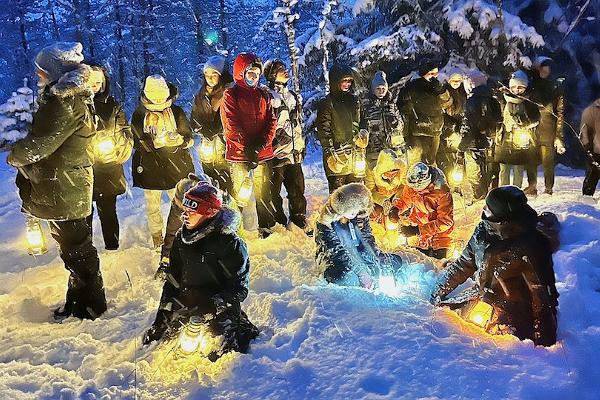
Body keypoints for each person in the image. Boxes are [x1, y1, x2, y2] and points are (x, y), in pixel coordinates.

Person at [7, 42, 107, 320]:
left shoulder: (64, 102)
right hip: (67, 184)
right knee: (75, 249)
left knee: (77, 251)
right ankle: (80, 300)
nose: (39, 77)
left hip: (64, 187)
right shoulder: (69, 97)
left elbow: (40, 145)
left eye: (42, 72)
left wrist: (14, 153)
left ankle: (90, 306)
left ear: (55, 71)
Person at [430, 186, 560, 347]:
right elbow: (463, 264)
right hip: (483, 295)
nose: (484, 210)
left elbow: (542, 293)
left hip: (514, 308)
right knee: (448, 314)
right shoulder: (483, 230)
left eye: (488, 208)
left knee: (499, 339)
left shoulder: (530, 245)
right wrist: (437, 291)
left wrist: (544, 338)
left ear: (503, 217)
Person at [143, 183, 259, 360]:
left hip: (218, 309)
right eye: (185, 209)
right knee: (172, 339)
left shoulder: (230, 244)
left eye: (192, 211)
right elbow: (173, 282)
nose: (184, 215)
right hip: (189, 302)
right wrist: (161, 320)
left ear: (208, 213)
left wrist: (212, 305)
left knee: (215, 353)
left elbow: (239, 289)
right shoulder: (181, 240)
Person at [131, 74, 195, 248]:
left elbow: (189, 136)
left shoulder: (176, 112)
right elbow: (137, 140)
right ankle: (157, 237)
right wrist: (153, 143)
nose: (159, 101)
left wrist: (181, 141)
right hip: (150, 167)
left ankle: (180, 233)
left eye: (162, 96)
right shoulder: (140, 114)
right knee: (153, 206)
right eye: (155, 96)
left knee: (180, 203)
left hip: (175, 166)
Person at [221, 52, 278, 238]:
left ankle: (265, 225)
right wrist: (247, 146)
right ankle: (236, 228)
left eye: (256, 74)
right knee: (241, 192)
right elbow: (231, 123)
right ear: (241, 73)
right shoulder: (231, 94)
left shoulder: (263, 94)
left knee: (263, 190)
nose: (254, 77)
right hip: (240, 153)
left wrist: (262, 142)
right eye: (250, 73)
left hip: (262, 151)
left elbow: (272, 120)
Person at [315, 183, 406, 288]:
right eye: (352, 210)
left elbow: (367, 238)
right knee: (345, 278)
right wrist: (360, 271)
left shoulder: (359, 215)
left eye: (357, 210)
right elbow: (336, 252)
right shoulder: (326, 223)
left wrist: (378, 256)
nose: (355, 213)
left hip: (360, 253)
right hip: (337, 260)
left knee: (393, 262)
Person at [86, 64, 133, 250]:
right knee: (84, 213)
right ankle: (85, 248)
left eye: (98, 82)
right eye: (91, 82)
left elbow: (124, 130)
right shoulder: (76, 106)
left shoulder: (112, 105)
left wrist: (121, 148)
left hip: (108, 166)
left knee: (108, 211)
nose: (95, 86)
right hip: (84, 168)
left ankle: (112, 246)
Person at [263, 59, 308, 230]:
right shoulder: (267, 96)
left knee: (297, 189)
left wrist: (301, 144)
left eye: (284, 69)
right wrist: (273, 142)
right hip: (276, 154)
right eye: (281, 70)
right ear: (272, 74)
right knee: (273, 192)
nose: (285, 71)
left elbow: (298, 123)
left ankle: (298, 219)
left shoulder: (293, 96)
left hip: (294, 153)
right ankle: (277, 221)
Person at [388, 162, 454, 259]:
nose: (413, 190)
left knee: (438, 267)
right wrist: (396, 208)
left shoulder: (442, 192)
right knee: (415, 264)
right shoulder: (412, 185)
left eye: (417, 189)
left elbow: (446, 221)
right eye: (412, 188)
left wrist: (418, 230)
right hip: (419, 233)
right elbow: (405, 200)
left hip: (440, 236)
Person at [316, 64, 363, 193]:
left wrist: (363, 134)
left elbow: (361, 121)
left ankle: (357, 213)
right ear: (336, 81)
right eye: (344, 81)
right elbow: (323, 129)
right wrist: (329, 150)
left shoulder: (354, 100)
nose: (347, 84)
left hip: (355, 154)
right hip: (337, 154)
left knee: (357, 192)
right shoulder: (327, 102)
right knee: (339, 194)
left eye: (349, 81)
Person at [191, 55, 234, 194]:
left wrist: (218, 128)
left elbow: (232, 117)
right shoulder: (201, 95)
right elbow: (194, 118)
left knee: (228, 183)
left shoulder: (229, 92)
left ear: (221, 75)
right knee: (211, 181)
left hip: (225, 146)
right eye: (207, 74)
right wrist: (202, 129)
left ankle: (231, 210)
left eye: (214, 74)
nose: (209, 78)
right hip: (208, 147)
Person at [397, 60, 451, 165]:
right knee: (415, 161)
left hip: (435, 130)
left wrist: (441, 91)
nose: (433, 77)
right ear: (424, 74)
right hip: (417, 130)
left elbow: (447, 104)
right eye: (431, 74)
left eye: (436, 74)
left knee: (431, 161)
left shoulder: (438, 87)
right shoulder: (413, 87)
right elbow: (403, 108)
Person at [457, 78, 503, 200]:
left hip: (473, 142)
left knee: (474, 172)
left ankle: (479, 195)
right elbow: (499, 121)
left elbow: (468, 126)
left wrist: (462, 147)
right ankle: (492, 194)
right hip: (491, 141)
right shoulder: (494, 101)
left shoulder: (471, 102)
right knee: (491, 169)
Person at [494, 70, 540, 188]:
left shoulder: (529, 101)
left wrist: (524, 122)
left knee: (518, 169)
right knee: (504, 169)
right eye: (514, 87)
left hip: (520, 139)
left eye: (520, 87)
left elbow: (536, 118)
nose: (517, 90)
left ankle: (515, 193)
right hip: (504, 138)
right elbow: (496, 116)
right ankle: (503, 193)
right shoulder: (503, 99)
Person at [526, 57, 566, 195]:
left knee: (548, 161)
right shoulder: (531, 85)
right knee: (530, 159)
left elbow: (560, 113)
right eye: (542, 68)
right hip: (531, 128)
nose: (544, 71)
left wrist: (559, 135)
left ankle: (549, 187)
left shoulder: (555, 88)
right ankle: (532, 186)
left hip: (548, 129)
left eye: (547, 68)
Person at [360, 71, 406, 186]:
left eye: (383, 88)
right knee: (374, 181)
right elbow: (361, 127)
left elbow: (401, 124)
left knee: (392, 182)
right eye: (378, 88)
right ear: (373, 89)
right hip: (374, 151)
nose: (381, 91)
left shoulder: (391, 105)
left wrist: (396, 123)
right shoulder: (366, 106)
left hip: (392, 151)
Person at [437, 69, 467, 189]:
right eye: (453, 80)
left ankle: (457, 184)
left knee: (458, 157)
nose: (456, 82)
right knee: (446, 158)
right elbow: (444, 110)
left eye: (458, 80)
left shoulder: (463, 92)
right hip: (447, 130)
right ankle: (447, 183)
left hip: (459, 128)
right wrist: (450, 124)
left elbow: (463, 110)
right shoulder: (445, 92)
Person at [365, 149, 407, 224]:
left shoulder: (402, 171)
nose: (390, 178)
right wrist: (383, 200)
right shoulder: (371, 171)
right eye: (388, 175)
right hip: (378, 200)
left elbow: (403, 186)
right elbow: (370, 191)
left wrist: (397, 198)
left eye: (393, 174)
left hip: (394, 198)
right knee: (374, 215)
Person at [580, 98, 600, 196]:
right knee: (593, 172)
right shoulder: (590, 111)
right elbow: (584, 130)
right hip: (596, 149)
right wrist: (587, 144)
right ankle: (587, 195)